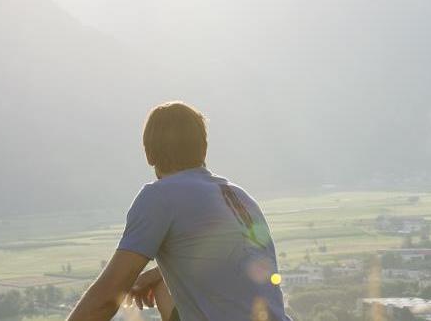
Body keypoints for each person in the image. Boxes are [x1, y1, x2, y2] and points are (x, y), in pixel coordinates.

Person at [66, 102, 291, 321]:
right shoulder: (239, 196)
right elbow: (234, 266)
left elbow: (106, 296)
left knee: (162, 283)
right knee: (163, 284)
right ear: (203, 148)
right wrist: (155, 275)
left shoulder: (160, 197)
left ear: (149, 155)